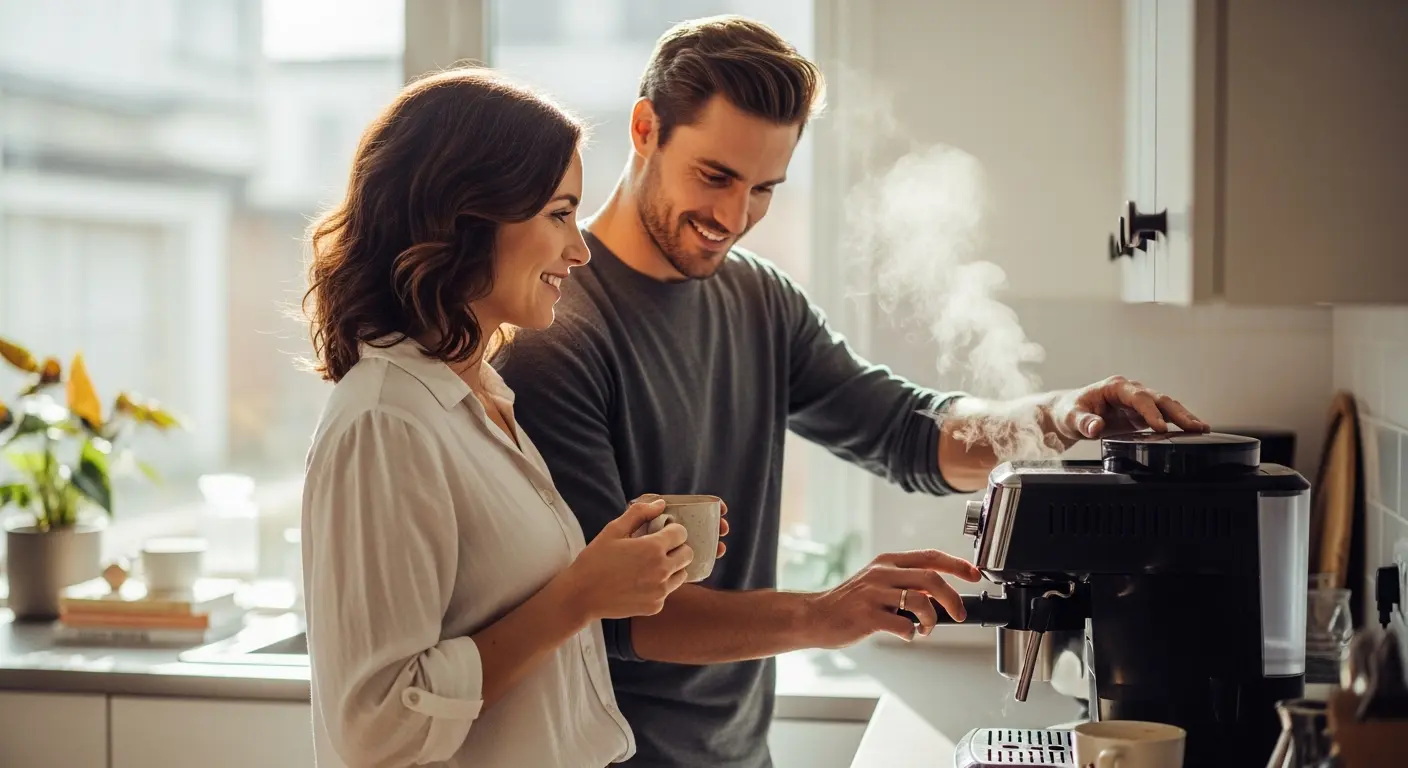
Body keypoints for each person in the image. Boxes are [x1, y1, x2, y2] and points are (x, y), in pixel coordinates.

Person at [492, 15, 1210, 768]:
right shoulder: (557, 332)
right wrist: (824, 611)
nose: (735, 219)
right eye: (716, 176)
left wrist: (1056, 418)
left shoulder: (759, 300)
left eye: (765, 188)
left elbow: (908, 432)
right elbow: (618, 617)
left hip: (740, 755)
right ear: (646, 130)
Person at [298, 67, 727, 767]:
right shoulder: (387, 421)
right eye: (559, 213)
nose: (579, 250)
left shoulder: (480, 401)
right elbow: (373, 731)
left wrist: (612, 568)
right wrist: (581, 596)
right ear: (468, 215)